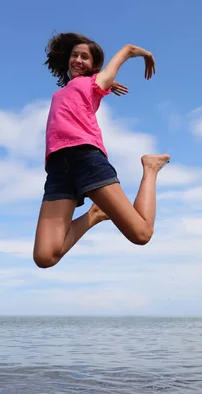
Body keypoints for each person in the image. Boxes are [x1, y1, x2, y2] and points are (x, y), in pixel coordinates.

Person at [33, 32, 170, 269]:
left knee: (141, 234)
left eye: (84, 57)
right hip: (57, 169)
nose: (77, 60)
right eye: (74, 55)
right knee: (45, 257)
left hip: (86, 158)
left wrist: (146, 54)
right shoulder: (65, 91)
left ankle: (150, 167)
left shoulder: (95, 83)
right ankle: (95, 215)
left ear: (94, 65)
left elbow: (127, 49)